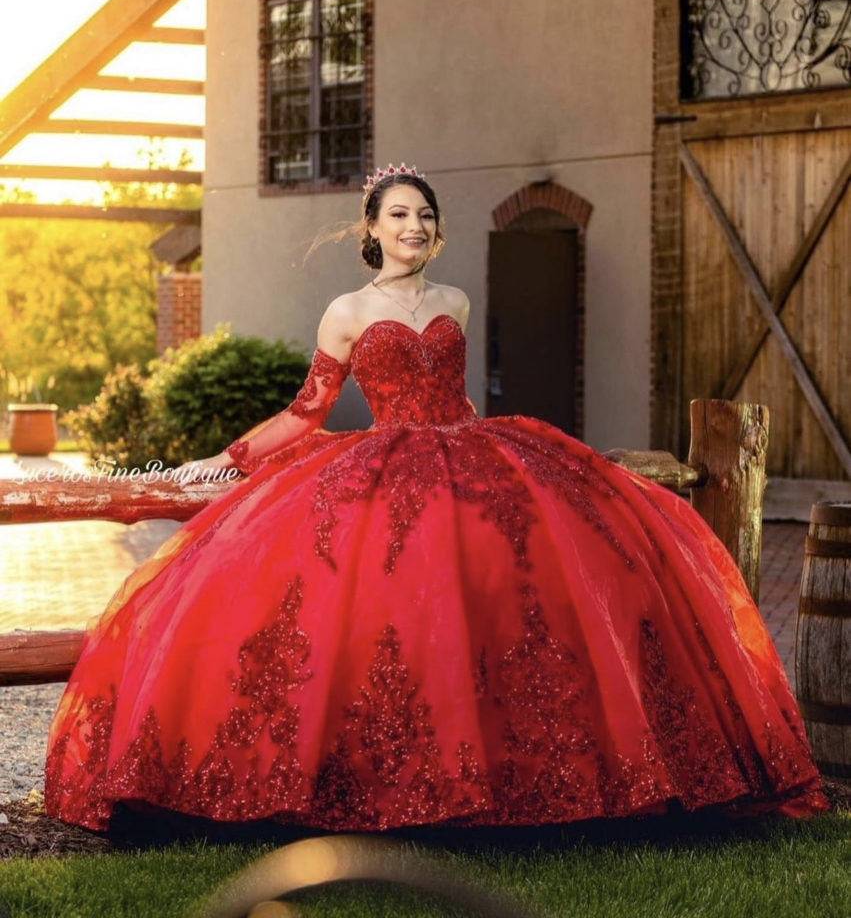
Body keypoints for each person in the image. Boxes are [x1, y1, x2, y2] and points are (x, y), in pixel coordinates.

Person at [45, 164, 826, 834]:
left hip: (471, 454)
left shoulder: (454, 301)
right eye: (399, 216)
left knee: (521, 603)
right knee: (392, 618)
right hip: (388, 463)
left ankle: (538, 779)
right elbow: (305, 411)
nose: (413, 226)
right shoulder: (346, 312)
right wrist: (223, 458)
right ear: (373, 230)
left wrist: (513, 464)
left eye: (424, 216)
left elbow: (457, 393)